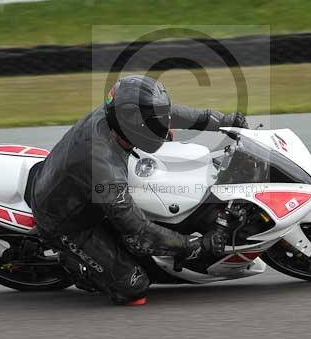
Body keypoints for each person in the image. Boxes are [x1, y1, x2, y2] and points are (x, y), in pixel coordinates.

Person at [28, 75, 248, 305]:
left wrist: (222, 121)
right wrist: (192, 246)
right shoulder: (105, 166)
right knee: (134, 287)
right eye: (155, 123)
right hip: (67, 221)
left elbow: (170, 113)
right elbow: (137, 229)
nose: (163, 124)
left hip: (81, 184)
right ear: (134, 125)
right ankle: (78, 267)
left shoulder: (116, 117)